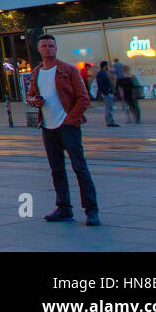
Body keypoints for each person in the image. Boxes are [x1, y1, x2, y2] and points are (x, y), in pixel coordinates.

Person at [26, 35, 100, 226]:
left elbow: (83, 98)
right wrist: (35, 101)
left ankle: (91, 210)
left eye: (51, 46)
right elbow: (30, 95)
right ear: (39, 49)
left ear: (56, 48)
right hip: (48, 127)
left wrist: (69, 119)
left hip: (68, 126)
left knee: (79, 167)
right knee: (56, 169)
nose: (48, 49)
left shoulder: (68, 70)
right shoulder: (36, 73)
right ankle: (64, 208)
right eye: (44, 46)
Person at [96, 61, 118, 126]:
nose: (107, 67)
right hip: (107, 93)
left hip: (107, 92)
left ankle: (109, 120)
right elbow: (101, 84)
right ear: (104, 66)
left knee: (109, 107)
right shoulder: (102, 73)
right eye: (107, 66)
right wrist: (106, 91)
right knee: (109, 107)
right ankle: (110, 121)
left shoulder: (103, 73)